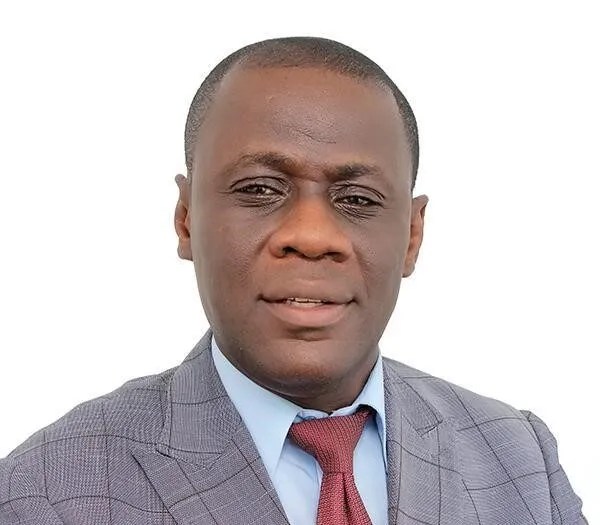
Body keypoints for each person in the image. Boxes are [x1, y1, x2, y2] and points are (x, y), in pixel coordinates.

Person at [0, 36, 586, 525]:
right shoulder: (47, 493)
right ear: (186, 219)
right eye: (260, 189)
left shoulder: (519, 459)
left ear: (412, 236)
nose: (311, 235)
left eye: (358, 199)